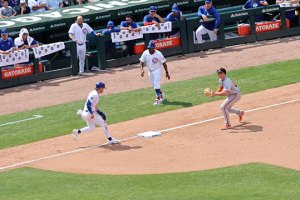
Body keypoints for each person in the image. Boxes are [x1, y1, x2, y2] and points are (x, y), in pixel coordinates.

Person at [140, 40, 170, 105]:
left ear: (154, 47)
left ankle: (158, 99)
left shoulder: (158, 54)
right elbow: (141, 61)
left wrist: (167, 72)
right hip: (150, 71)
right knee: (154, 86)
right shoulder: (145, 53)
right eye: (149, 48)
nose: (149, 49)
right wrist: (142, 70)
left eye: (151, 48)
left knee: (156, 84)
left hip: (157, 70)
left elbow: (164, 63)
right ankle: (162, 94)